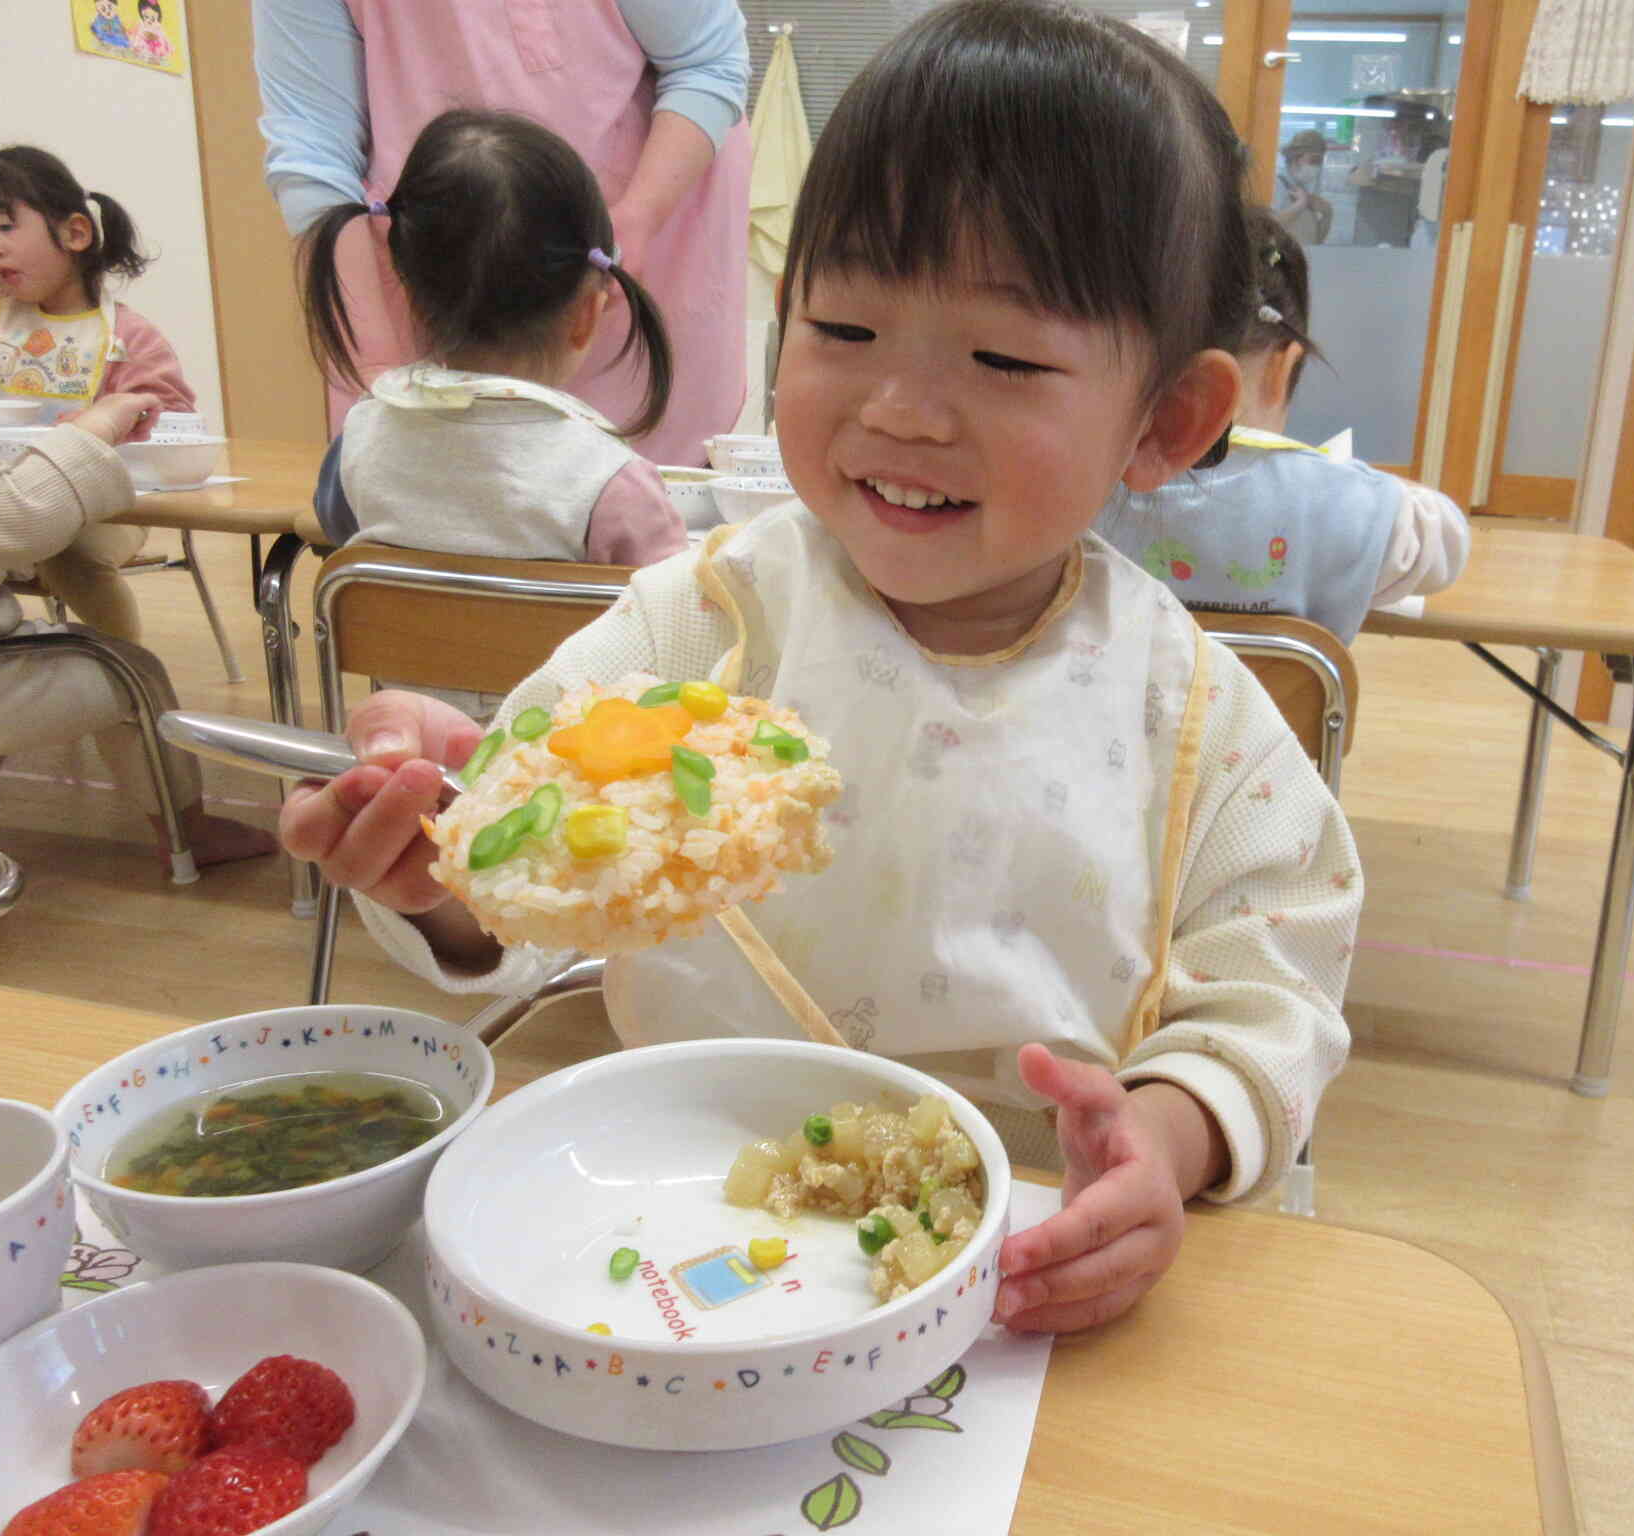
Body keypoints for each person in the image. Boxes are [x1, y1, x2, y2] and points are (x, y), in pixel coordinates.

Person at [280, 0, 1360, 1336]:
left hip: (1027, 1245)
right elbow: (518, 897)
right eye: (841, 332)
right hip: (687, 1215)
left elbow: (1280, 982)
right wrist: (436, 860)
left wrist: (1168, 1136)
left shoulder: (1188, 706)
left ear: (1168, 421)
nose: (898, 410)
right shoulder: (701, 624)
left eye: (1005, 358)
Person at [301, 109, 691, 718]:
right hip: (562, 775)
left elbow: (344, 529)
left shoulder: (358, 436)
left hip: (408, 749)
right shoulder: (610, 480)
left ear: (407, 290)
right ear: (588, 312)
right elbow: (679, 627)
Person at [253, 0, 752, 467]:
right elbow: (313, 144)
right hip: (438, 277)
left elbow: (707, 60)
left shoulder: (620, 493)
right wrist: (377, 373)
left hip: (636, 260)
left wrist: (640, 216)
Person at [1097, 206, 1469, 644]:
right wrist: (1348, 481)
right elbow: (1448, 544)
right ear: (1283, 367)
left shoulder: (1081, 489)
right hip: (1275, 714)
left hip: (1107, 714)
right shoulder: (1338, 503)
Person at [0, 392, 275, 870]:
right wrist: (94, 428)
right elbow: (10, 517)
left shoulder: (126, 331)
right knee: (133, 672)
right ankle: (187, 831)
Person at [0, 146, 200, 646]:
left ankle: (128, 677)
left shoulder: (131, 336)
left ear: (75, 233)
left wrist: (108, 422)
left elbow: (174, 421)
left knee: (74, 555)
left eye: (4, 227)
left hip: (104, 505)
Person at [1274, 129, 1331, 247]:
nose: (1317, 167)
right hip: (1282, 261)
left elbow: (1316, 241)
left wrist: (1327, 214)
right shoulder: (1277, 184)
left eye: (1320, 162)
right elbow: (1268, 228)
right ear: (1296, 158)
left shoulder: (1304, 189)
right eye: (1314, 160)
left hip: (1303, 260)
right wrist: (1300, 205)